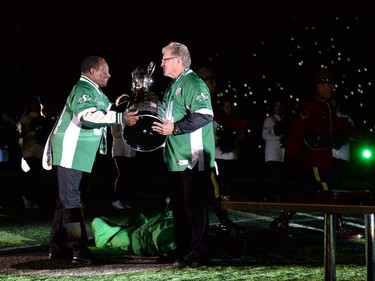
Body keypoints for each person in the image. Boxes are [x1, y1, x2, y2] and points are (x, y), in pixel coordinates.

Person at [46, 56, 139, 264]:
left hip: (79, 152)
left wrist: (135, 107)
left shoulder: (96, 92)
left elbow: (111, 111)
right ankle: (79, 250)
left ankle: (57, 247)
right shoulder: (83, 89)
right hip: (71, 150)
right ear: (91, 71)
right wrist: (120, 118)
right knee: (71, 201)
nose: (109, 74)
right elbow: (87, 117)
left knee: (65, 201)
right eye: (104, 70)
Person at [269, 68, 364, 240]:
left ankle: (281, 221)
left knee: (305, 194)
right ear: (320, 85)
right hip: (314, 160)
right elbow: (297, 131)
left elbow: (339, 125)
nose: (333, 87)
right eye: (329, 84)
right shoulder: (310, 107)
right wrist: (290, 154)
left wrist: (362, 136)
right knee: (329, 191)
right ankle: (338, 227)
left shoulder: (326, 106)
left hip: (322, 159)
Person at [151, 42, 216, 268]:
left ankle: (199, 252)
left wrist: (175, 129)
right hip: (175, 156)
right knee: (178, 206)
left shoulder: (193, 82)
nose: (161, 63)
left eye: (164, 59)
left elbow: (205, 115)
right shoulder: (173, 85)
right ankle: (183, 249)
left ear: (178, 60)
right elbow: (167, 115)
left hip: (193, 156)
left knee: (194, 206)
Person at [19, 96, 51, 209]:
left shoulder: (43, 118)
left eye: (38, 103)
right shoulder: (25, 119)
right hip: (29, 150)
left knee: (38, 175)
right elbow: (24, 135)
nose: (36, 105)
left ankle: (32, 199)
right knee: (35, 172)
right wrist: (35, 132)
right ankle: (27, 197)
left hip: (40, 150)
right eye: (34, 103)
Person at [111, 94, 136, 209]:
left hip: (130, 150)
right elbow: (115, 134)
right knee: (122, 174)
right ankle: (116, 199)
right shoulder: (116, 117)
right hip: (119, 150)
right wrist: (124, 127)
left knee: (127, 176)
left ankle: (123, 199)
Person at [262, 97, 289, 202]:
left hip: (280, 154)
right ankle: (270, 197)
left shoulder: (283, 120)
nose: (278, 108)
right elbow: (264, 135)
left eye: (280, 106)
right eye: (276, 106)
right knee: (276, 177)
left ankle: (277, 198)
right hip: (272, 154)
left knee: (279, 178)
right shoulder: (269, 120)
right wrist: (279, 137)